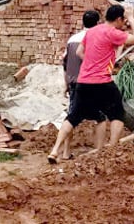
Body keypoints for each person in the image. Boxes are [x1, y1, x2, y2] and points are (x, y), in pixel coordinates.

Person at [47, 4, 134, 163]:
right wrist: (133, 17)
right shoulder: (113, 32)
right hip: (102, 81)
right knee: (117, 113)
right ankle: (111, 150)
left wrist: (92, 62)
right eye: (123, 20)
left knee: (73, 117)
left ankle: (55, 150)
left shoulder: (91, 31)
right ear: (119, 19)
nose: (123, 23)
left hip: (83, 81)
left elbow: (79, 52)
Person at [58, 9, 100, 160]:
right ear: (97, 23)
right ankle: (98, 151)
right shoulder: (95, 38)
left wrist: (66, 84)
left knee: (71, 116)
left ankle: (65, 151)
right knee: (99, 118)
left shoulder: (72, 39)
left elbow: (65, 63)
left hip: (74, 83)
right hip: (90, 83)